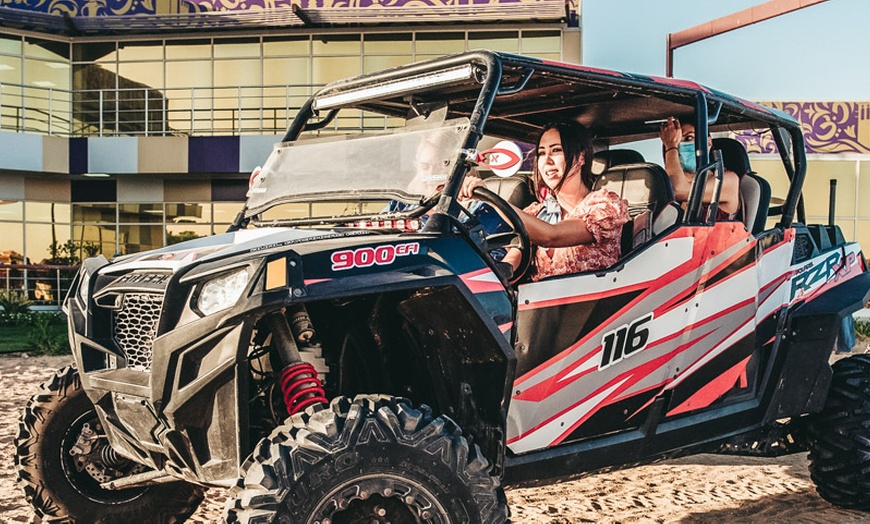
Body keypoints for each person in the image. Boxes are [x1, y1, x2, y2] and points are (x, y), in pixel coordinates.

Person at [461, 121, 629, 282]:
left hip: (595, 305)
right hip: (539, 307)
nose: (547, 161)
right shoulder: (536, 213)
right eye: (542, 153)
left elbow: (551, 236)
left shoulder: (605, 206)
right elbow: (511, 264)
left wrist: (488, 198)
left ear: (581, 157)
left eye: (556, 150)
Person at [659, 116, 741, 220]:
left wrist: (671, 145)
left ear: (708, 143)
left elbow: (678, 190)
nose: (680, 146)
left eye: (689, 138)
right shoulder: (663, 185)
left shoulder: (727, 180)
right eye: (677, 141)